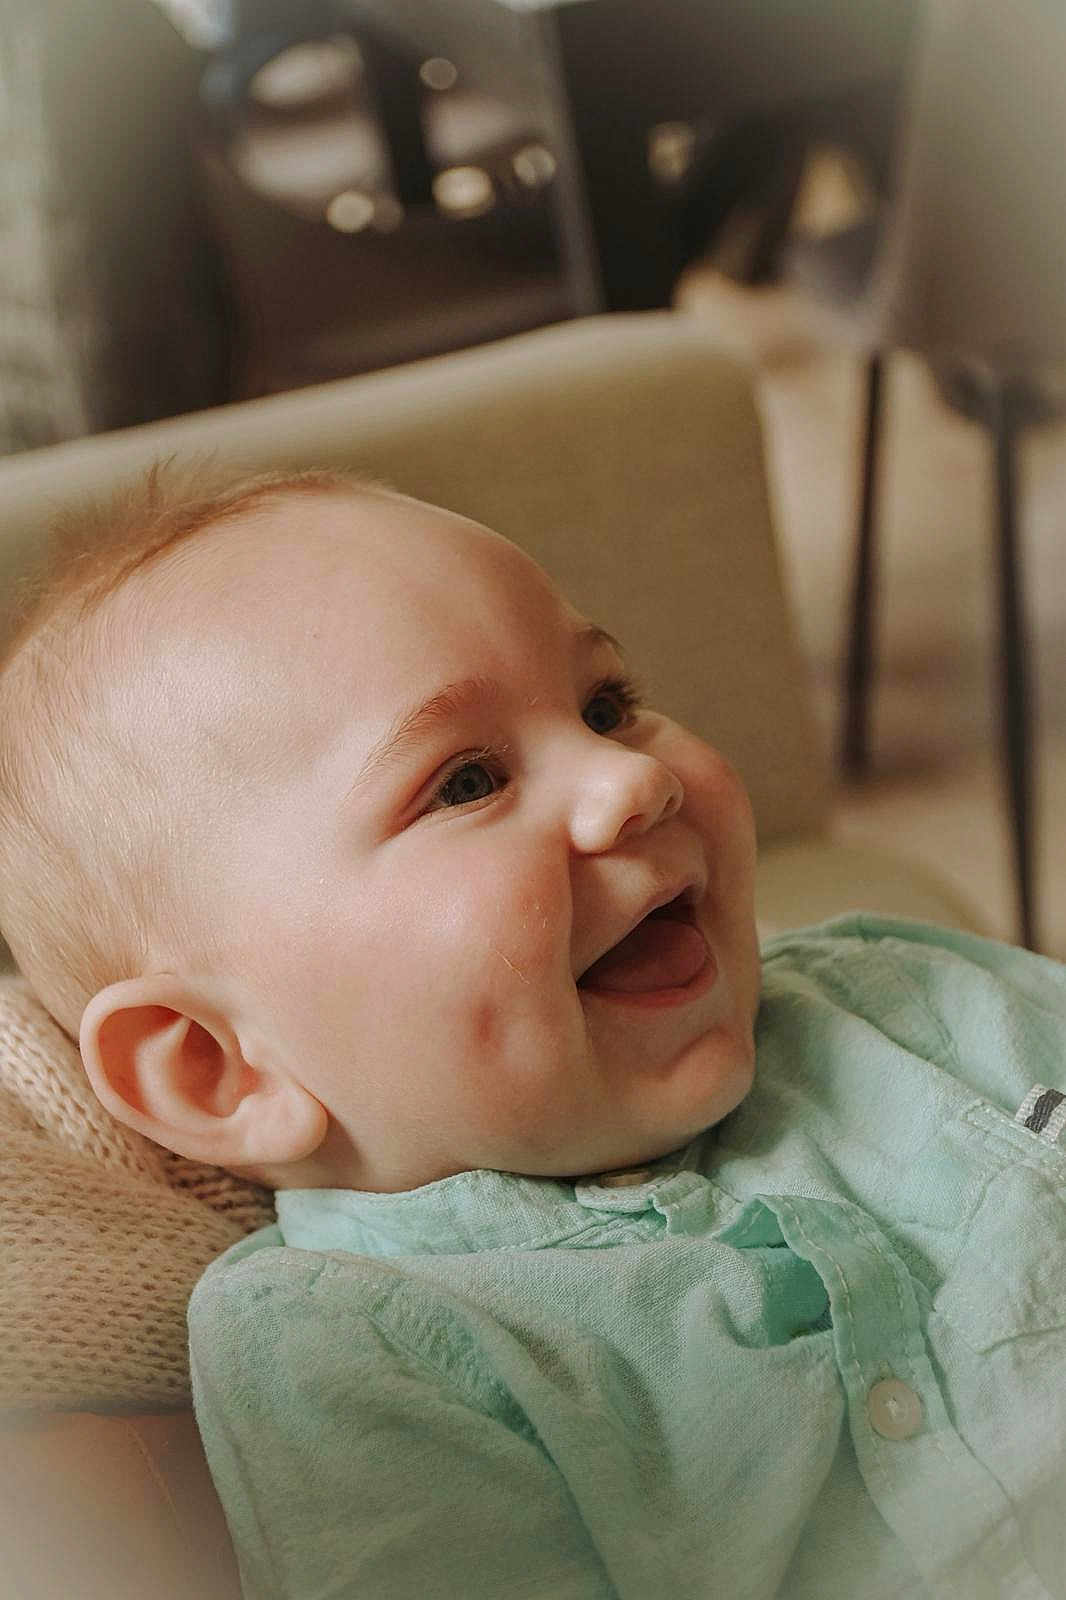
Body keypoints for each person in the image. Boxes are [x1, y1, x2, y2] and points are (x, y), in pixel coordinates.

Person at [0, 466, 1063, 1600]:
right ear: (220, 1070)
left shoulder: (908, 993)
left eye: (605, 705)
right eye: (467, 781)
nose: (632, 778)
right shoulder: (349, 1347)